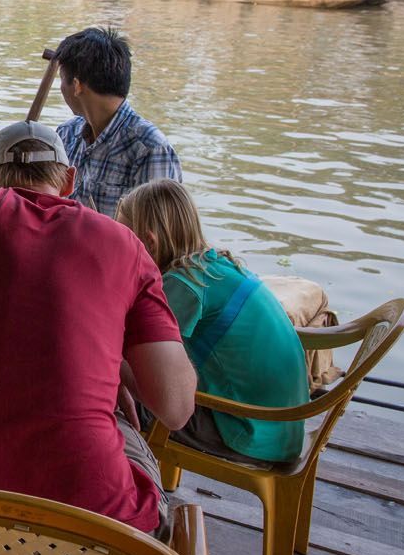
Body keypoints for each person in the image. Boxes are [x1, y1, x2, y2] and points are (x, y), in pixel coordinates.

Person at [0, 121, 195, 538]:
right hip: (98, 536)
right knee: (139, 453)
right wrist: (113, 368)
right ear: (69, 180)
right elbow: (175, 408)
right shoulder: (125, 244)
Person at [116, 180, 308, 463]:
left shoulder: (182, 287)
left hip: (247, 433)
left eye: (121, 236)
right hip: (282, 427)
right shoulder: (213, 264)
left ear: (150, 241)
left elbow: (142, 364)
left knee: (105, 393)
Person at [54, 27, 181, 218]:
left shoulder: (150, 149)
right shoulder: (66, 134)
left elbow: (161, 236)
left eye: (62, 79)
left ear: (77, 86)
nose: (61, 88)